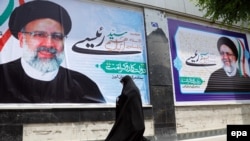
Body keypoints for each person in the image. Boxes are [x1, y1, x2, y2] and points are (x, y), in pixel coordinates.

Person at [0, 0, 106, 103]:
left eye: (57, 36)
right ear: (22, 39)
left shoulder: (83, 85)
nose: (49, 44)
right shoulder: (3, 77)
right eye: (39, 35)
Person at [105, 75, 148, 141]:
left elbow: (126, 98)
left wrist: (120, 99)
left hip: (132, 118)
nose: (122, 85)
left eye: (123, 83)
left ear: (126, 82)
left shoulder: (131, 90)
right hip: (136, 118)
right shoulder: (134, 89)